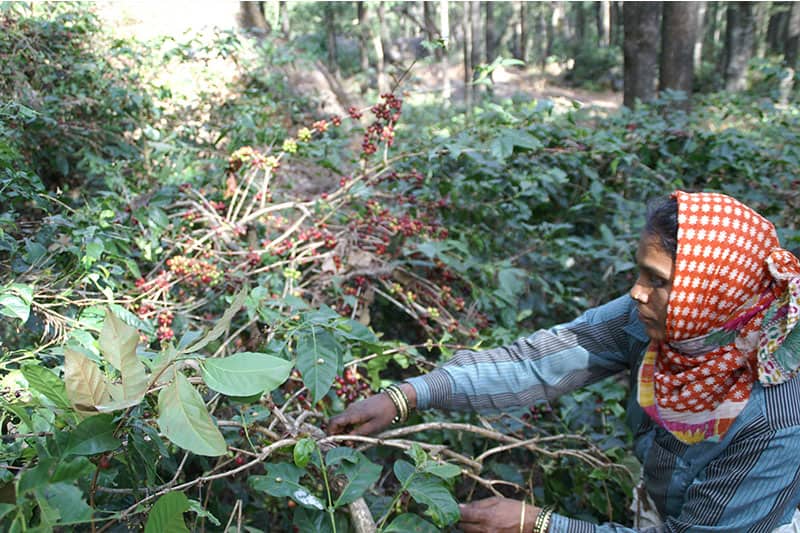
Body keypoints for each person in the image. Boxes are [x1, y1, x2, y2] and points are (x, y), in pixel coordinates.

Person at [329, 190, 800, 532]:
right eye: (639, 271)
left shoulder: (776, 420)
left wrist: (540, 525)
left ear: (711, 294)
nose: (636, 292)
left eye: (657, 280)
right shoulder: (656, 322)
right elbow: (535, 364)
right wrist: (408, 394)